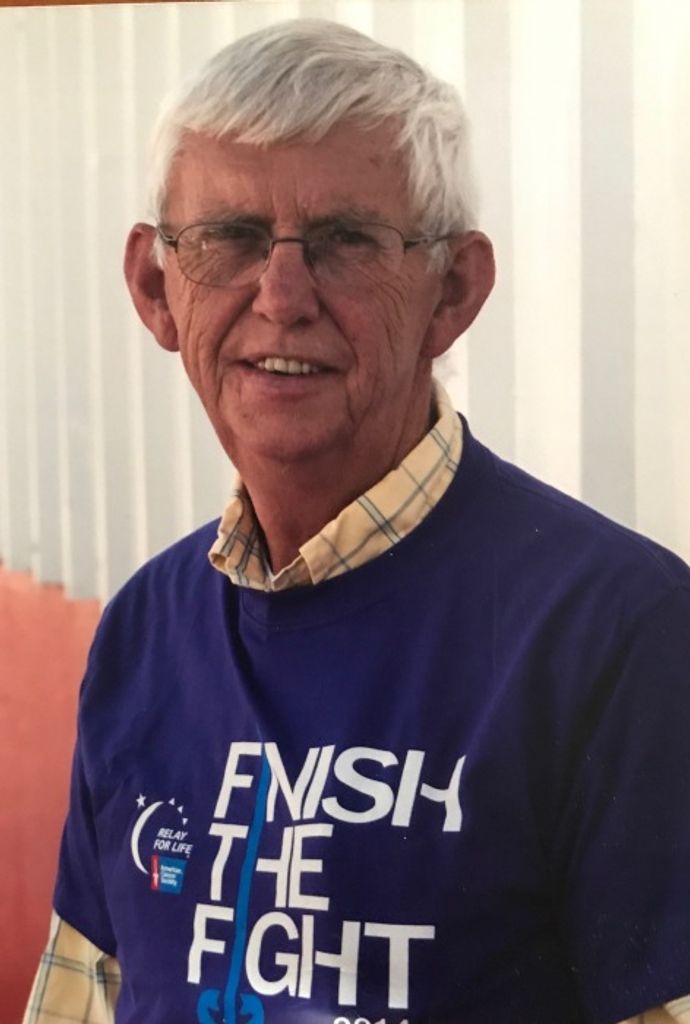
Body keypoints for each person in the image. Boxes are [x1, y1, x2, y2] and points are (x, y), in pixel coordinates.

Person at [23, 18, 690, 1024]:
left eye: (346, 242)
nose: (282, 296)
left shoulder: (617, 636)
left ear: (452, 292)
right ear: (156, 289)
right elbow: (85, 993)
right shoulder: (144, 633)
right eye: (230, 238)